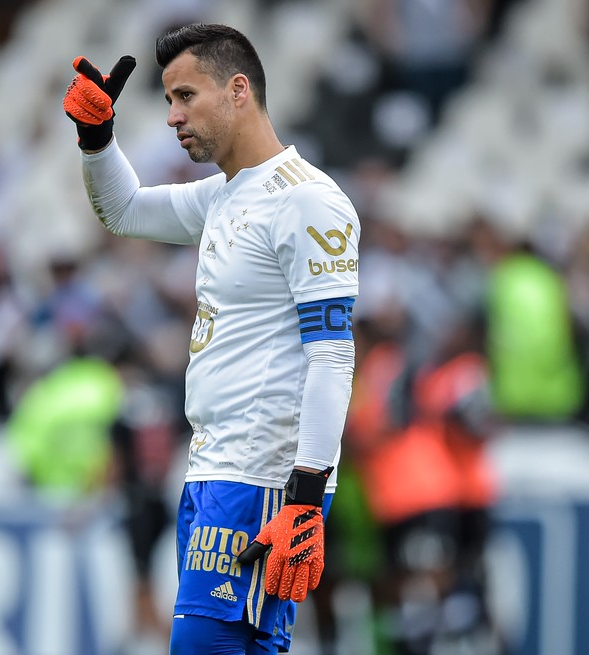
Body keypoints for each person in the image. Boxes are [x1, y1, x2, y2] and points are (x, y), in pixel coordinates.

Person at [62, 23, 360, 655]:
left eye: (185, 96)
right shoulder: (226, 196)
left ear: (238, 90)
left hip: (261, 480)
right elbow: (124, 210)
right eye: (168, 100)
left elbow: (332, 355)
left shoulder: (308, 203)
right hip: (212, 470)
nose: (172, 116)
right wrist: (97, 140)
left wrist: (306, 496)